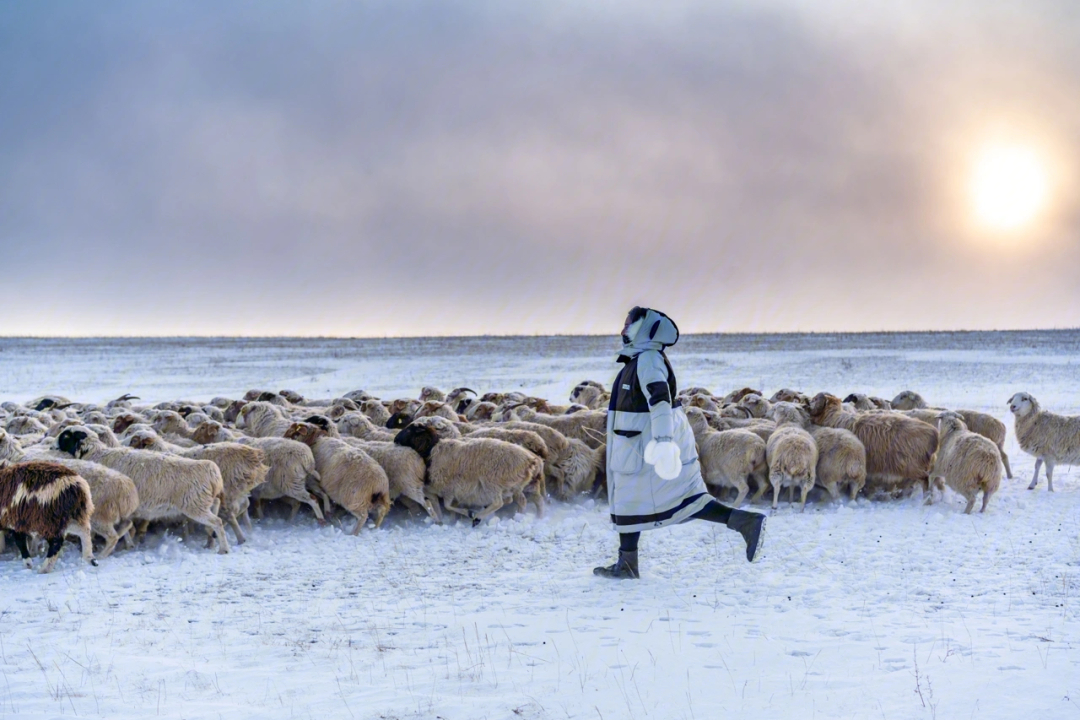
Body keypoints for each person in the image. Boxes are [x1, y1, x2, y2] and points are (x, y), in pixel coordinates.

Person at [594, 306, 767, 579]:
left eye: (628, 325)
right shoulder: (639, 359)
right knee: (631, 501)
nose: (622, 329)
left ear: (642, 330)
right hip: (636, 444)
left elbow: (660, 399)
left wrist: (663, 443)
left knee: (685, 499)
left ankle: (744, 521)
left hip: (647, 446)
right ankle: (627, 564)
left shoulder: (649, 359)